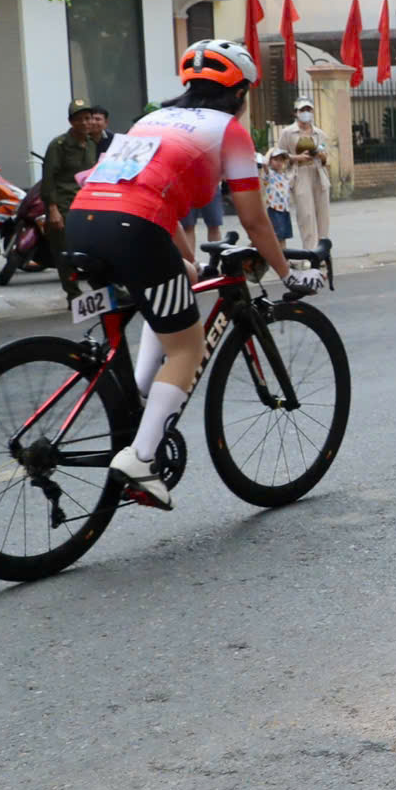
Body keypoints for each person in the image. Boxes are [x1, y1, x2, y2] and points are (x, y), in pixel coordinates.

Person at [64, 40, 320, 511]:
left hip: (85, 219)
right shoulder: (228, 130)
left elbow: (164, 213)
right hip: (134, 227)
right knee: (188, 344)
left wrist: (192, 264)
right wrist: (288, 276)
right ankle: (141, 458)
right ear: (240, 93)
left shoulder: (151, 119)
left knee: (171, 293)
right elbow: (255, 220)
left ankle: (139, 401)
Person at [38, 99, 106, 258]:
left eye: (87, 118)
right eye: (78, 119)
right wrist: (53, 210)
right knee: (66, 253)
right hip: (63, 206)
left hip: (84, 205)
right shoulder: (58, 145)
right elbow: (48, 179)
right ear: (71, 121)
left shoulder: (91, 144)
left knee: (87, 251)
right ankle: (70, 284)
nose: (84, 123)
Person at [275, 101, 333, 257]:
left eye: (308, 109)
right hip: (299, 173)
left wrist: (321, 156)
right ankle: (311, 252)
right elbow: (279, 156)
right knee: (306, 215)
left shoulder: (319, 133)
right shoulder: (287, 133)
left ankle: (323, 252)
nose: (306, 112)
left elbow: (328, 159)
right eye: (302, 110)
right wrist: (296, 157)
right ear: (296, 112)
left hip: (318, 173)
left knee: (323, 215)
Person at [263, 148, 297, 243]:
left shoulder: (284, 175)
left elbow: (292, 164)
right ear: (270, 161)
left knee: (283, 236)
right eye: (275, 159)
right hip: (274, 209)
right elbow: (264, 162)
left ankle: (284, 257)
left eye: (281, 160)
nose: (279, 162)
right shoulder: (269, 174)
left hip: (284, 209)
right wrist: (270, 150)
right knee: (276, 236)